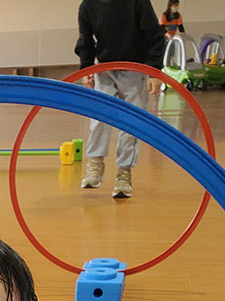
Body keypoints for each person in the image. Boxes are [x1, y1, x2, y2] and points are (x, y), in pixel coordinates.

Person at [75, 0, 165, 199]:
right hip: (105, 67)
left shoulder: (137, 2)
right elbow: (85, 40)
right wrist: (86, 68)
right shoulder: (88, 5)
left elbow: (155, 35)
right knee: (99, 117)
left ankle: (124, 172)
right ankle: (95, 163)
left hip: (134, 67)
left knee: (131, 122)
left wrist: (154, 71)